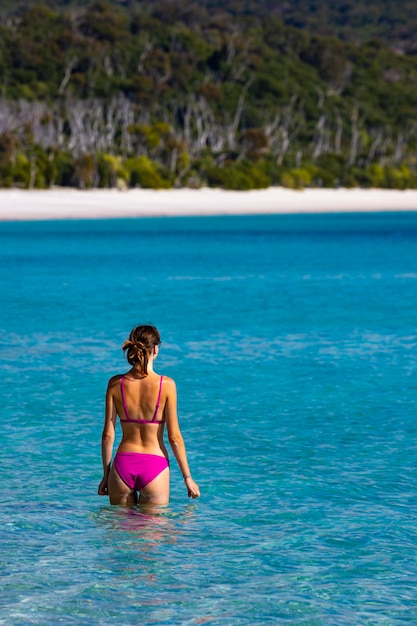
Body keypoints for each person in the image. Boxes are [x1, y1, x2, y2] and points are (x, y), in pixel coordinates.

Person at [98, 324, 200, 507]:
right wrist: (188, 478)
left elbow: (107, 436)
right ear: (155, 349)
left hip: (122, 466)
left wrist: (106, 476)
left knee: (120, 533)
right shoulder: (166, 385)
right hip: (155, 466)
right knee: (154, 533)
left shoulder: (115, 384)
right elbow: (174, 438)